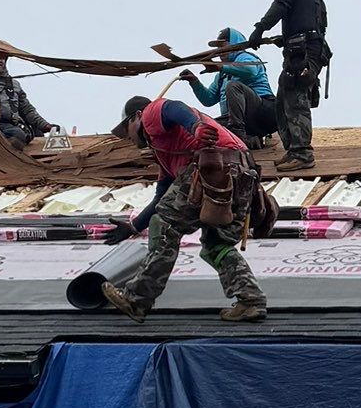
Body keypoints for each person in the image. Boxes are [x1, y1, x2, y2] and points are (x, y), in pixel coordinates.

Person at [102, 97, 268, 323]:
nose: (129, 138)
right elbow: (161, 198)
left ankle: (136, 299)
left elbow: (172, 108)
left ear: (138, 116)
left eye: (126, 129)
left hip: (210, 167)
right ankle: (251, 301)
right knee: (217, 245)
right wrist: (134, 226)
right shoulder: (168, 155)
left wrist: (195, 126)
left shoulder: (150, 113)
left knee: (163, 226)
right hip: (242, 176)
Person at [248, 0, 330, 166]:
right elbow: (313, 25)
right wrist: (285, 38)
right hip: (309, 48)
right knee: (283, 99)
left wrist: (260, 28)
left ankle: (302, 154)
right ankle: (293, 150)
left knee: (295, 98)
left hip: (302, 51)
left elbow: (281, 4)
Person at [181, 29, 279, 147]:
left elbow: (250, 71)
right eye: (218, 48)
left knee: (233, 86)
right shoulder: (221, 76)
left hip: (262, 111)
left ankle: (237, 133)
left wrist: (220, 67)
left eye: (222, 46)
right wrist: (194, 82)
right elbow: (208, 100)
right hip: (241, 120)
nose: (219, 51)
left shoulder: (245, 57)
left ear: (234, 43)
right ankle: (249, 140)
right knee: (206, 127)